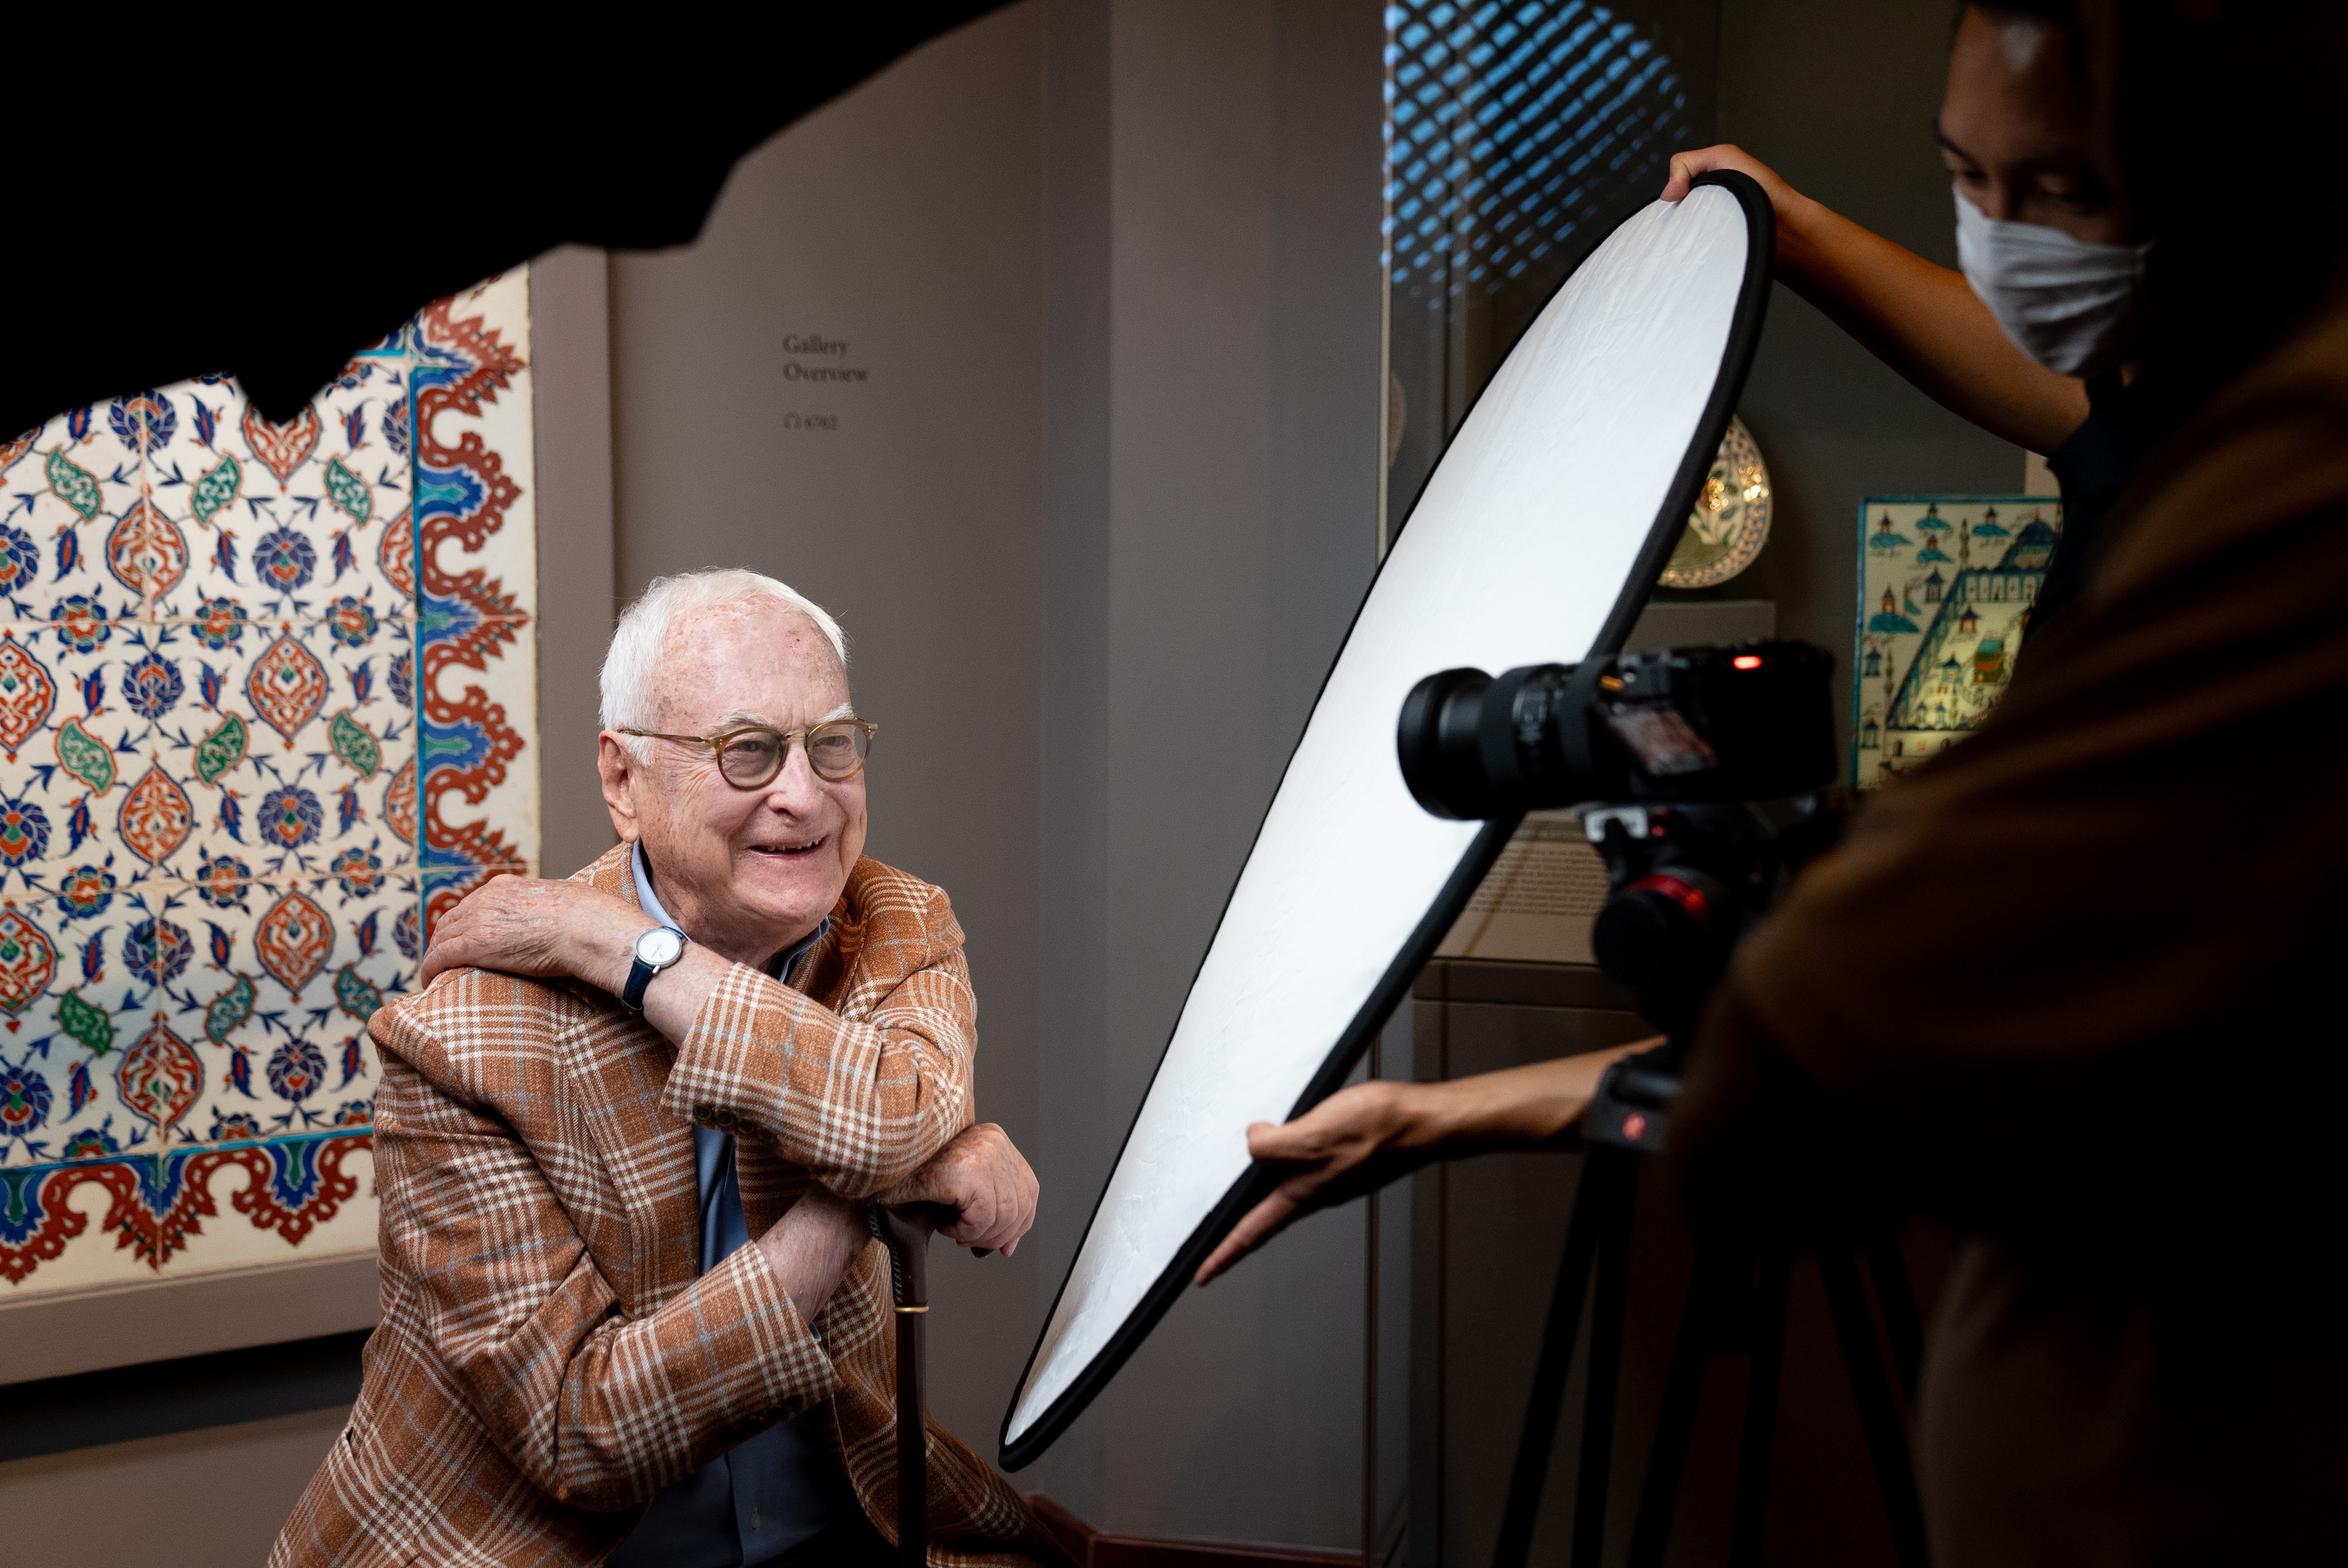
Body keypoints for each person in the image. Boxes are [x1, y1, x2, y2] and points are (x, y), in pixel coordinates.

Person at [1200, 2, 2348, 1561]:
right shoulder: (2194, 403)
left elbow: (1816, 1065)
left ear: (2243, 196)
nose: (2004, 237)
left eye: (2064, 192)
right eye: (1967, 177)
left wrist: (1779, 926)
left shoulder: (2285, 504)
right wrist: (1783, 232)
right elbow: (2070, 403)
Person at [274, 569, 1055, 1567]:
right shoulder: (465, 1036)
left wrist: (626, 949)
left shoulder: (898, 920)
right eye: (747, 750)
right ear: (622, 780)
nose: (804, 795)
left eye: (832, 743)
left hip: (837, 1528)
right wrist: (865, 1192)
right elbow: (584, 1433)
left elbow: (893, 1122)